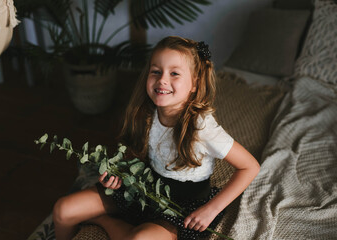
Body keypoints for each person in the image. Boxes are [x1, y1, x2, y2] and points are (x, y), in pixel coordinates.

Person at [53, 36, 260, 240]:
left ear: (195, 84)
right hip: (141, 187)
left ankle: (102, 219)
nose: (162, 80)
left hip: (180, 207)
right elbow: (136, 155)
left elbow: (250, 167)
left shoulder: (202, 127)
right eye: (156, 71)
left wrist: (211, 210)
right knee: (63, 210)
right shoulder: (146, 113)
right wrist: (117, 175)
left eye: (174, 73)